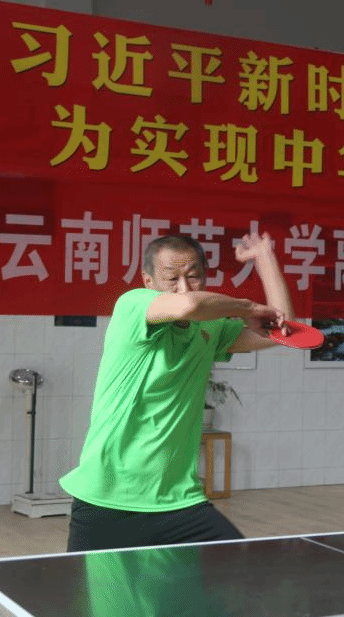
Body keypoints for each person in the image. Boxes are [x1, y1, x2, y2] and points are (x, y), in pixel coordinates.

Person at [59, 232, 292, 552]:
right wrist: (247, 307)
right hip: (108, 499)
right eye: (171, 278)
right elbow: (187, 305)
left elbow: (283, 330)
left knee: (238, 570)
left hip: (179, 501)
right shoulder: (132, 306)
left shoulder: (210, 328)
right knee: (96, 589)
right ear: (148, 281)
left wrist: (265, 259)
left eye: (193, 277)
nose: (184, 286)